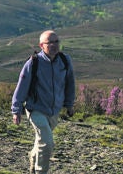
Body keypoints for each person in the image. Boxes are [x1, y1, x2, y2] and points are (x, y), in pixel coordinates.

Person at [11, 30, 76, 174]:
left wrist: (69, 104)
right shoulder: (33, 63)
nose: (54, 45)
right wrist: (16, 110)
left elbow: (70, 83)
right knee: (47, 142)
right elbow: (21, 86)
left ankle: (33, 158)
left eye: (56, 41)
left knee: (41, 141)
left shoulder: (65, 61)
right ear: (41, 45)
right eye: (50, 42)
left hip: (54, 111)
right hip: (36, 109)